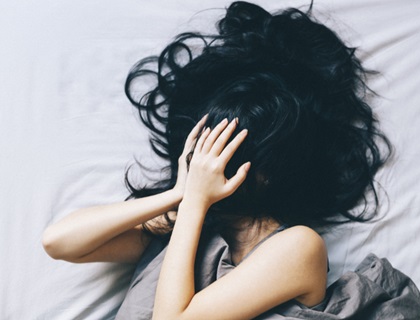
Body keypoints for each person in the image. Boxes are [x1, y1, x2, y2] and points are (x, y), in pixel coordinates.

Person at [42, 1, 393, 319]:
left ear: (265, 171)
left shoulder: (298, 246)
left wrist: (193, 203)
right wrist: (179, 192)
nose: (207, 166)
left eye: (224, 154)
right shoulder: (188, 226)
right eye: (204, 152)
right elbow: (59, 242)